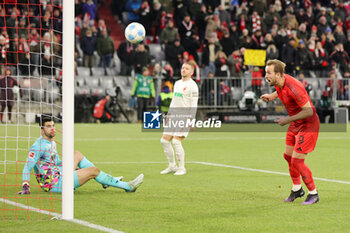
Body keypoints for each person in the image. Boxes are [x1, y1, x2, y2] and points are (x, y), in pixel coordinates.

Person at [17, 115, 144, 194]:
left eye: (54, 126)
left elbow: (55, 163)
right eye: (49, 126)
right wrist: (25, 186)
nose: (53, 128)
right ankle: (128, 186)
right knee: (93, 171)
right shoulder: (38, 146)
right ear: (42, 129)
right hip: (54, 183)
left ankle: (105, 181)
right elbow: (27, 166)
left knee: (76, 154)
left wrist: (73, 167)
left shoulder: (52, 143)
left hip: (59, 174)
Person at [260, 59, 320, 205]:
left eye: (269, 73)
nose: (265, 75)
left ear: (279, 74)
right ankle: (297, 189)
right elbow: (280, 91)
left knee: (297, 161)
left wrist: (287, 119)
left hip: (308, 124)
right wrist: (271, 96)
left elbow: (309, 111)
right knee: (288, 156)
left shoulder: (294, 87)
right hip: (296, 122)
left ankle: (313, 193)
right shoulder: (280, 82)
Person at [160, 61, 199, 176]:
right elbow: (174, 100)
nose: (183, 70)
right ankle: (172, 165)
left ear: (191, 72)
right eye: (183, 68)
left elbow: (194, 103)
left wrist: (191, 119)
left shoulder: (193, 86)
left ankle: (182, 168)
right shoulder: (177, 83)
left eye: (186, 69)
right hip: (174, 116)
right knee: (164, 141)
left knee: (176, 141)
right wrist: (169, 114)